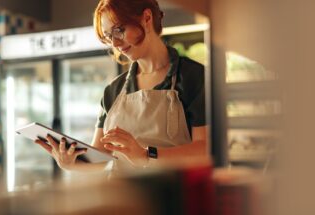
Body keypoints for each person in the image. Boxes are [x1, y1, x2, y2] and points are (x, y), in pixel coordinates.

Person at [35, 0, 210, 172]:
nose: (115, 44)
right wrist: (71, 162)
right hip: (121, 196)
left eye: (119, 30)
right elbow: (101, 157)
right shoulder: (113, 90)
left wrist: (146, 155)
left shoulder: (193, 76)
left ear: (147, 18)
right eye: (108, 37)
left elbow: (205, 149)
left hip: (173, 196)